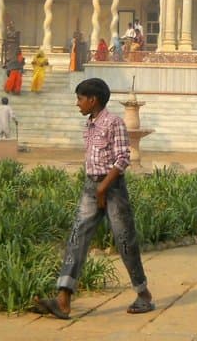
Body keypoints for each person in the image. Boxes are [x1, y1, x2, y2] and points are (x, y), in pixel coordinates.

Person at [34, 77, 154, 320]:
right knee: (77, 237)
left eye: (80, 99)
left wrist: (103, 189)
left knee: (124, 240)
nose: (78, 104)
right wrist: (95, 189)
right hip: (92, 187)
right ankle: (63, 299)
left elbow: (123, 159)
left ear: (93, 100)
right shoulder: (89, 125)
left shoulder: (114, 123)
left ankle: (144, 295)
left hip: (112, 188)